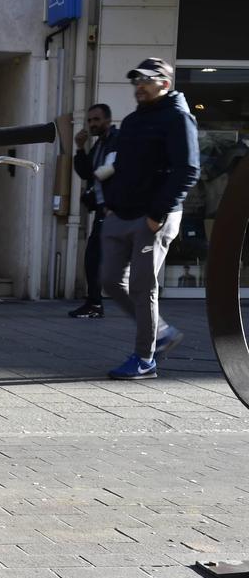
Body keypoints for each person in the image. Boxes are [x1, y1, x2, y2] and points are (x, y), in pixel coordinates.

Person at [101, 58, 199, 380]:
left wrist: (158, 214)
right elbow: (121, 166)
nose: (139, 85)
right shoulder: (131, 122)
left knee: (144, 288)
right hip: (121, 214)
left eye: (147, 79)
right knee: (111, 281)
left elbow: (188, 171)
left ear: (164, 84)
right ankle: (162, 332)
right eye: (136, 80)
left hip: (153, 217)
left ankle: (145, 359)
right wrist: (110, 203)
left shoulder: (177, 118)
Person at [68, 104, 119, 319]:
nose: (92, 124)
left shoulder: (116, 140)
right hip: (103, 208)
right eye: (89, 121)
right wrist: (79, 148)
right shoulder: (100, 143)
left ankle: (95, 304)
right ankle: (94, 302)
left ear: (108, 120)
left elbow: (111, 170)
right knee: (96, 256)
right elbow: (87, 172)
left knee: (94, 256)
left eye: (96, 120)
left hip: (112, 208)